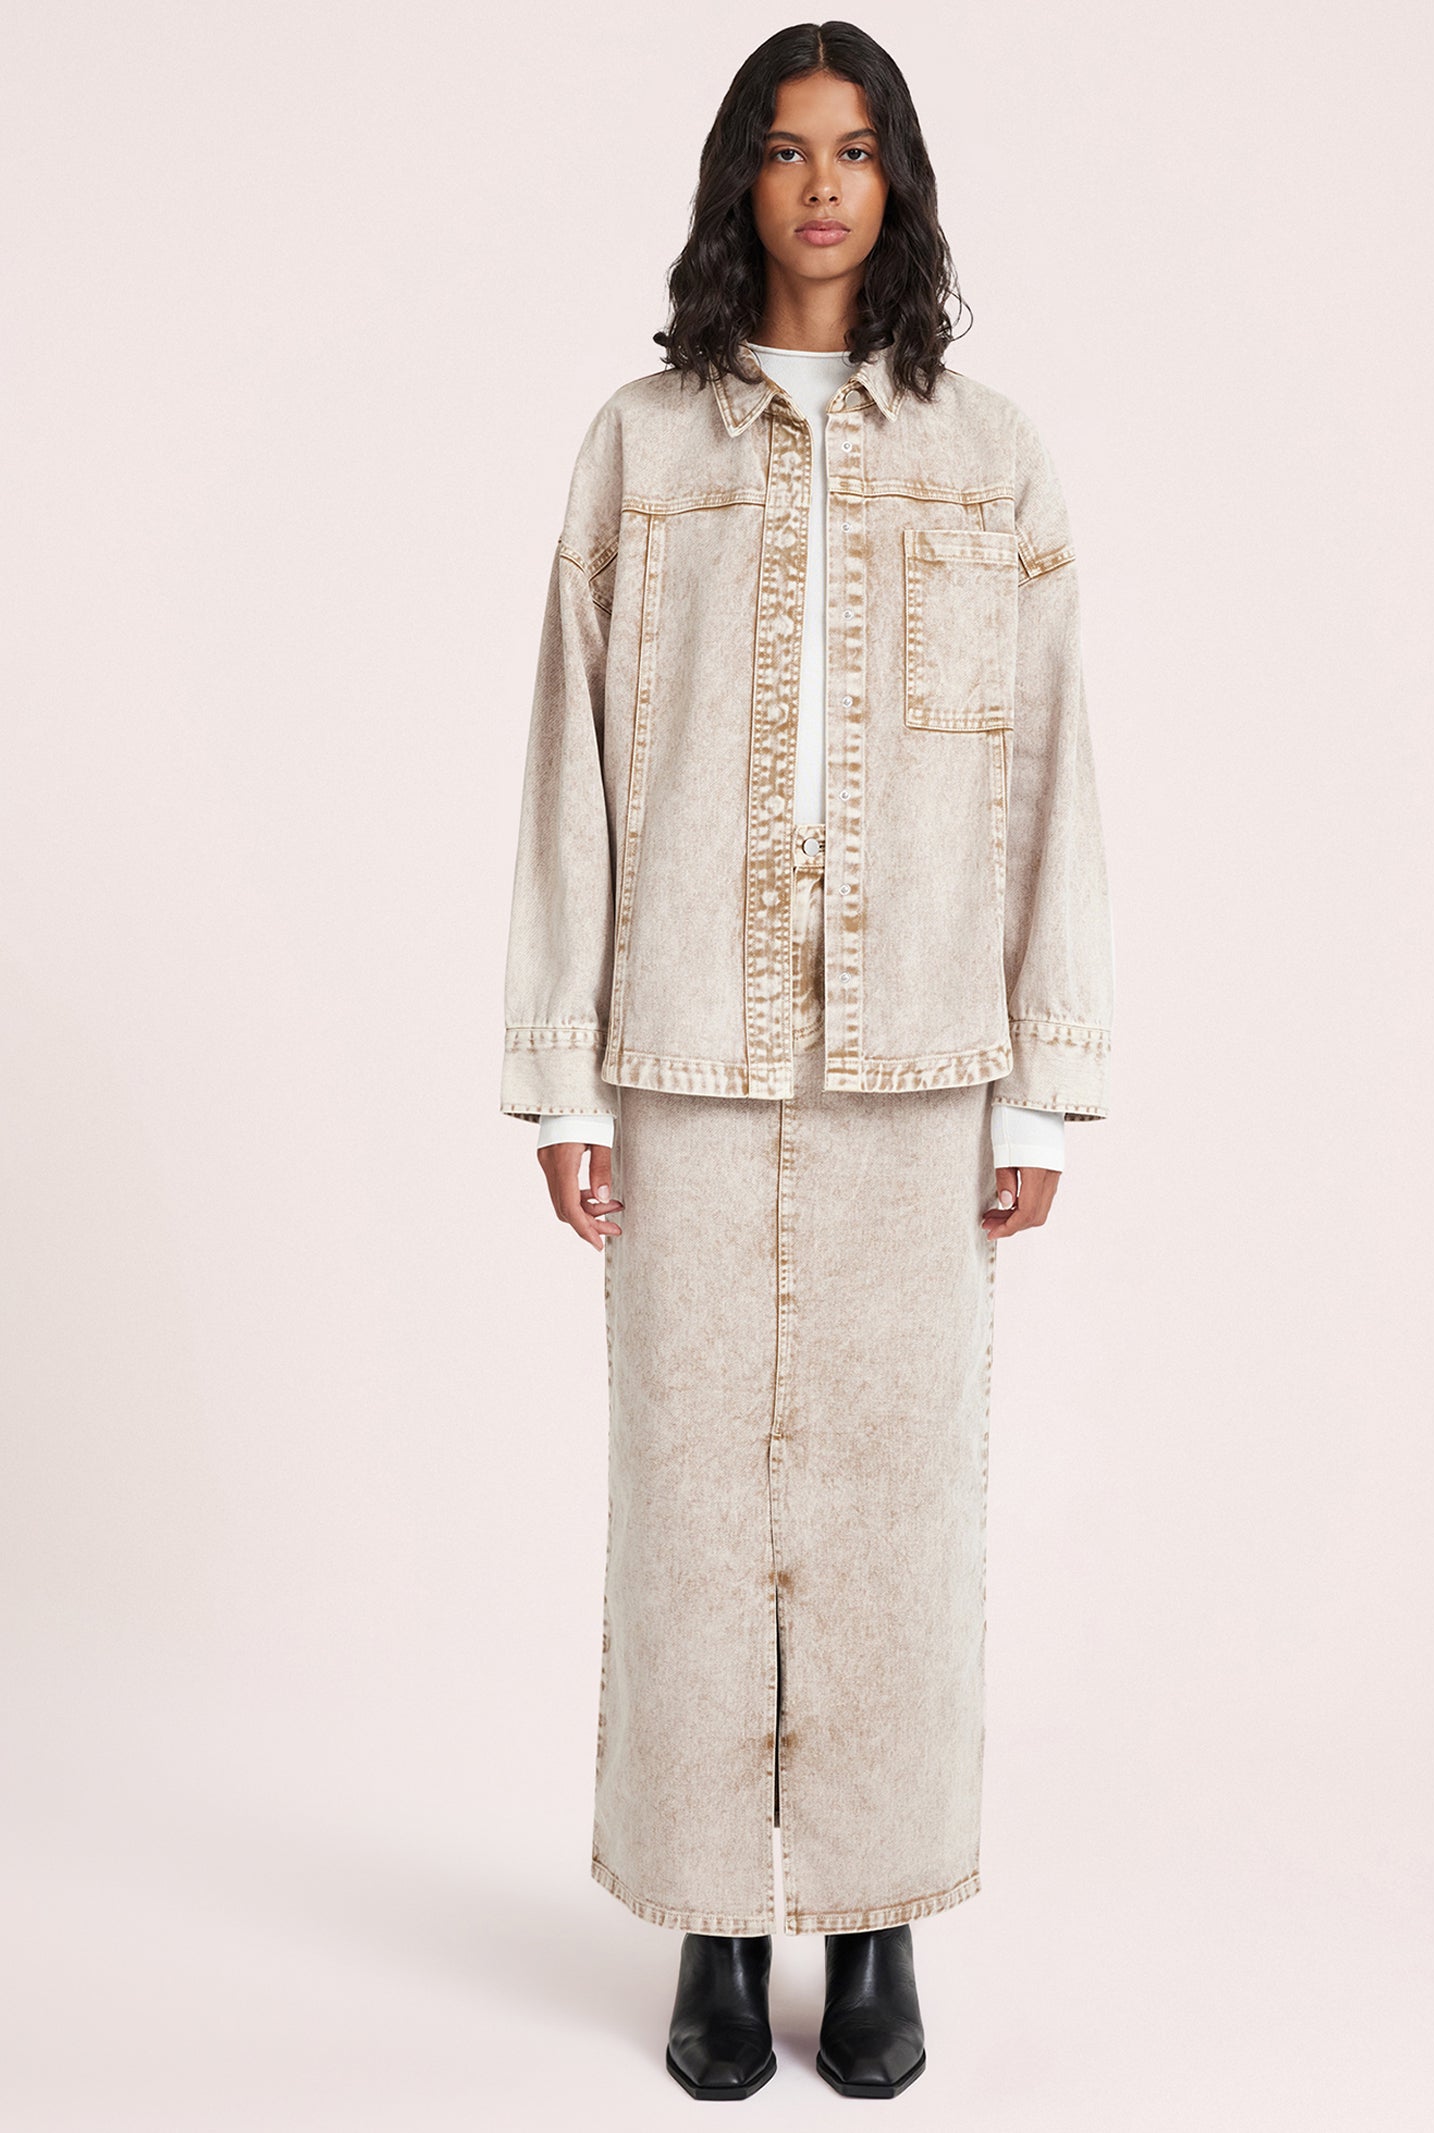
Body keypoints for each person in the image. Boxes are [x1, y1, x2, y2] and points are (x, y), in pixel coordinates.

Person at [501, 20, 1113, 2102]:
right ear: (737, 184)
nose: (822, 185)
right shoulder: (637, 447)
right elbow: (571, 766)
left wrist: (1039, 1079)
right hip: (684, 1048)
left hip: (917, 1060)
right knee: (690, 1502)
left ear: (897, 182)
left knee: (892, 1508)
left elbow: (1051, 768)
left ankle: (871, 1932)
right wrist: (565, 1076)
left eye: (855, 151)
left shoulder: (988, 455)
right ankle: (710, 1922)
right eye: (785, 149)